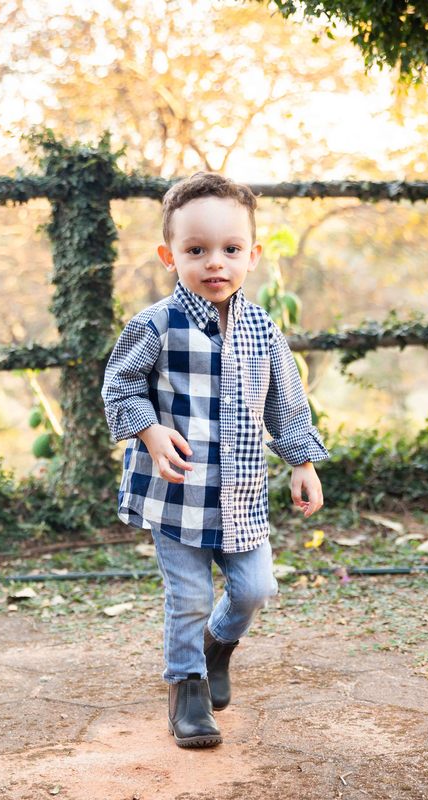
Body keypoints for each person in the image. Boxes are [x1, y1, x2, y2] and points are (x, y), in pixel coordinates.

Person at [101, 172, 329, 748]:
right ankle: (187, 689)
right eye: (196, 250)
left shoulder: (263, 331)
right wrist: (149, 432)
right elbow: (119, 387)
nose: (214, 263)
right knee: (189, 597)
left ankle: (216, 647)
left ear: (252, 255)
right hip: (176, 493)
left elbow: (285, 400)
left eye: (230, 250)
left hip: (243, 492)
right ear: (169, 255)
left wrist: (302, 462)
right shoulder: (154, 325)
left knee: (254, 588)